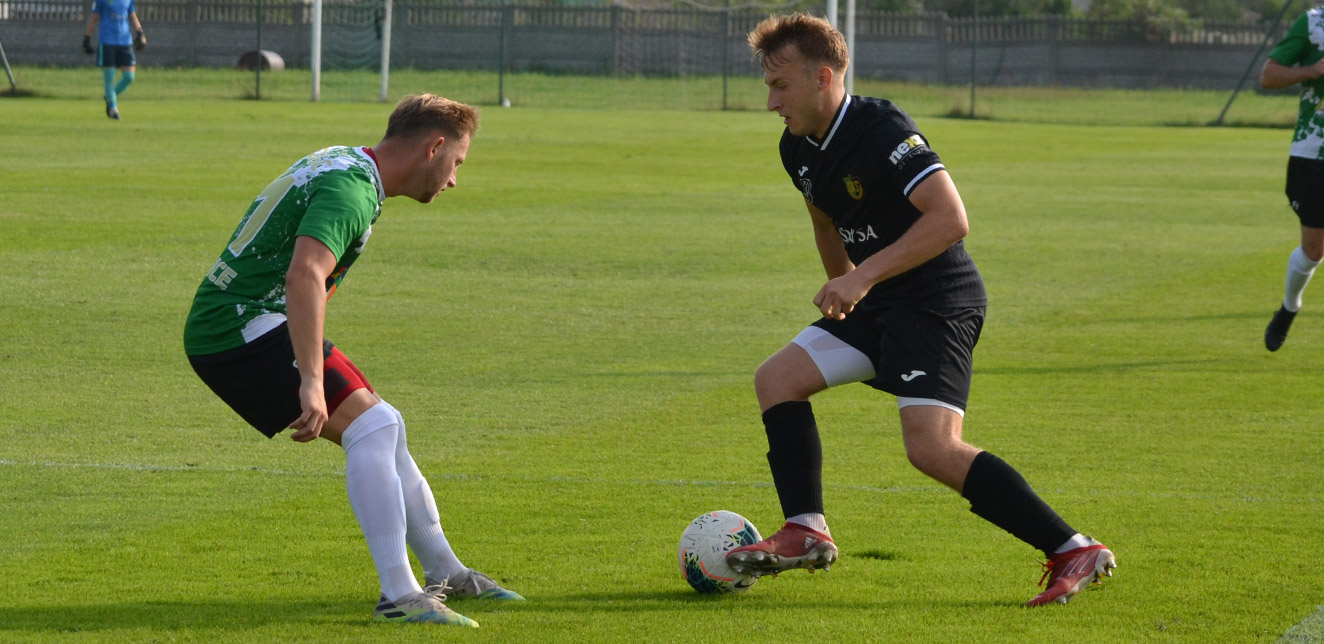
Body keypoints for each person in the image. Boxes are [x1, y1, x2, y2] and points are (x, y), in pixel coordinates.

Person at [724, 14, 1115, 607]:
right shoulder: (795, 147)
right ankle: (806, 529)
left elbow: (951, 219)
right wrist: (846, 288)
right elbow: (825, 222)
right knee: (777, 379)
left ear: (823, 77)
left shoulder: (882, 128)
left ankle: (1073, 547)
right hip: (880, 302)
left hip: (937, 303)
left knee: (931, 448)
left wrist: (861, 277)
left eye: (780, 85)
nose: (771, 102)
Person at [183, 94, 522, 626]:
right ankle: (400, 596)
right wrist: (311, 381)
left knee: (386, 426)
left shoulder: (348, 163)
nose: (454, 179)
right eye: (456, 162)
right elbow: (305, 275)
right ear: (434, 147)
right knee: (375, 428)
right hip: (236, 327)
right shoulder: (353, 188)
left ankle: (446, 571)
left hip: (248, 318)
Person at [1261, 6, 1324, 351]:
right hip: (1314, 151)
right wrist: (1312, 70)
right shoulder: (1313, 22)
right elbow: (1269, 76)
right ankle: (1289, 307)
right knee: (1314, 250)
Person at [82, 0, 145, 120]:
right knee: (109, 78)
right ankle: (113, 108)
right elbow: (94, 18)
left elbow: (132, 15)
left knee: (129, 77)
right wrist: (87, 38)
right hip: (107, 42)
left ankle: (109, 97)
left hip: (125, 41)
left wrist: (140, 32)